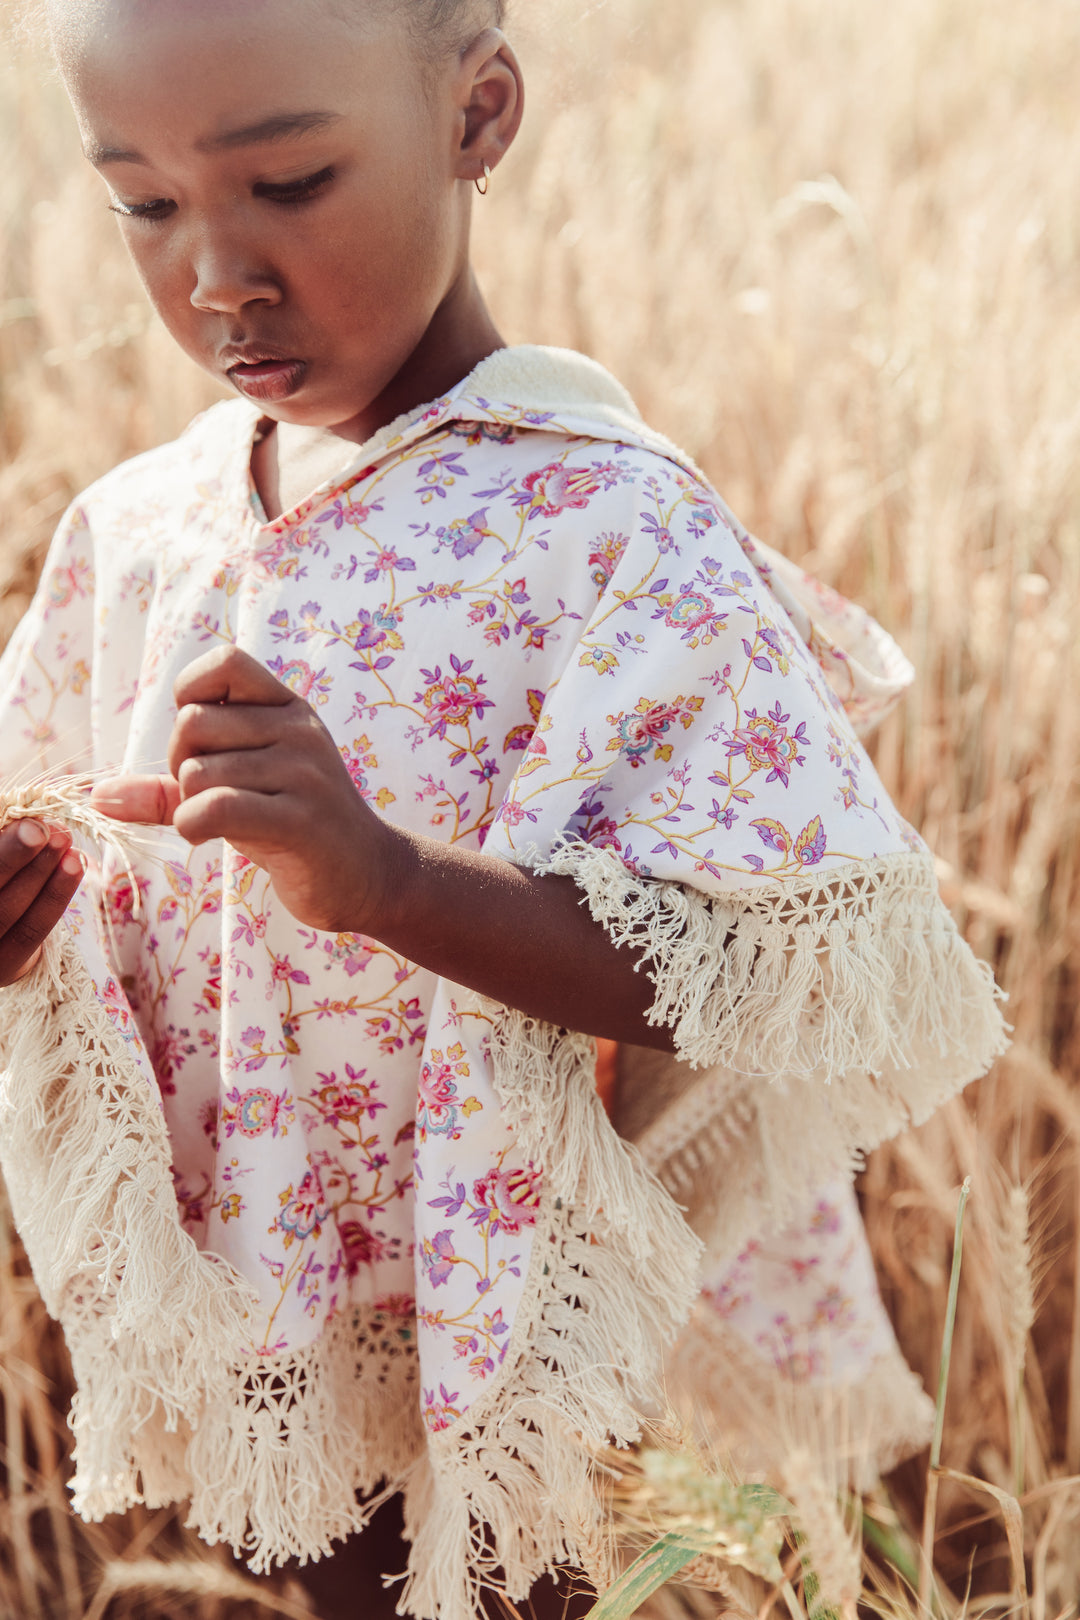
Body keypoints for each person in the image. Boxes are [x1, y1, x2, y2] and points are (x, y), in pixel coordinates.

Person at [0, 2, 1008, 1617]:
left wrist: (388, 878)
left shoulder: (602, 519)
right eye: (144, 200)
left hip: (505, 1273)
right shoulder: (138, 529)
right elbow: (78, 860)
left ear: (479, 116)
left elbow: (751, 974)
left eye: (293, 180)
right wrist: (28, 910)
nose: (215, 273)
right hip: (270, 1257)